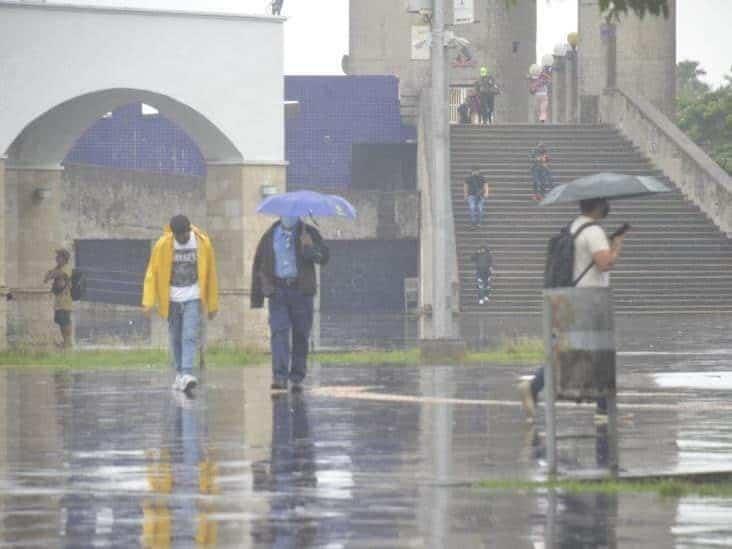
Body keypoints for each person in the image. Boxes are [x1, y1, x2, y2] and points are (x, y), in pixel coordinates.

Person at [518, 198, 627, 423]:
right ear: (597, 206)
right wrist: (616, 246)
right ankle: (534, 385)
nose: (607, 206)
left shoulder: (574, 227)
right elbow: (604, 263)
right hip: (588, 300)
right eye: (604, 203)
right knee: (593, 352)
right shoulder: (594, 231)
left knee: (582, 352)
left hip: (571, 296)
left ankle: (603, 409)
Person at [251, 216, 330, 393]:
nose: (288, 217)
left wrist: (309, 248)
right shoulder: (270, 235)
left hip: (301, 291)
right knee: (279, 332)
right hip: (278, 291)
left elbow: (324, 257)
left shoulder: (309, 232)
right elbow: (259, 264)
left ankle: (297, 376)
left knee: (301, 334)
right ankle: (279, 377)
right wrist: (261, 293)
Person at [143, 215, 219, 395]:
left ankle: (187, 372)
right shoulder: (163, 245)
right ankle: (179, 373)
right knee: (175, 337)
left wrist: (212, 304)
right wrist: (148, 301)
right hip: (172, 299)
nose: (181, 239)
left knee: (190, 335)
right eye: (177, 236)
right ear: (172, 234)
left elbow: (211, 274)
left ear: (189, 231)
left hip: (193, 296)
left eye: (184, 235)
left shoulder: (202, 243)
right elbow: (152, 272)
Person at [44, 248, 73, 349]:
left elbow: (54, 275)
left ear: (64, 259)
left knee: (65, 321)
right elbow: (46, 278)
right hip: (59, 301)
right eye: (57, 256)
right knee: (60, 320)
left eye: (59, 256)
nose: (56, 258)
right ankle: (65, 342)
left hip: (66, 300)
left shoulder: (66, 268)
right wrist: (50, 274)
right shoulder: (59, 268)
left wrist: (51, 274)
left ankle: (68, 342)